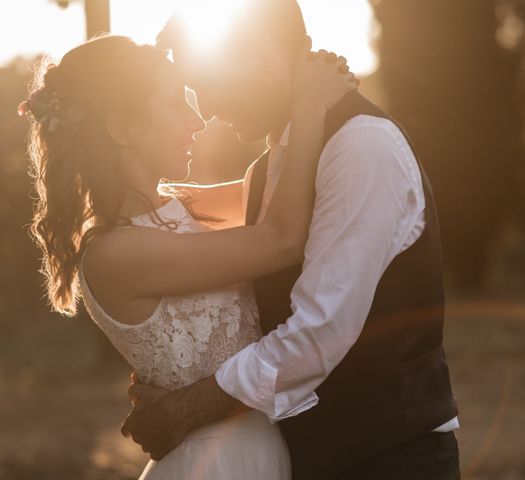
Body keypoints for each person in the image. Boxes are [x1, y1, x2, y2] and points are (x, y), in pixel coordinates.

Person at [123, 0, 461, 479]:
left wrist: (185, 410)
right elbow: (196, 218)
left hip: (390, 459)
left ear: (260, 53)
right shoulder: (271, 167)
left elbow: (319, 331)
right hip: (308, 461)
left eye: (211, 85)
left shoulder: (361, 147)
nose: (211, 111)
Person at [19, 34, 357, 479]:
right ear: (122, 127)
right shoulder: (116, 252)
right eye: (177, 104)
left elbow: (275, 187)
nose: (197, 121)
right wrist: (309, 106)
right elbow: (282, 238)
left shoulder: (176, 207)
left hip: (255, 451)